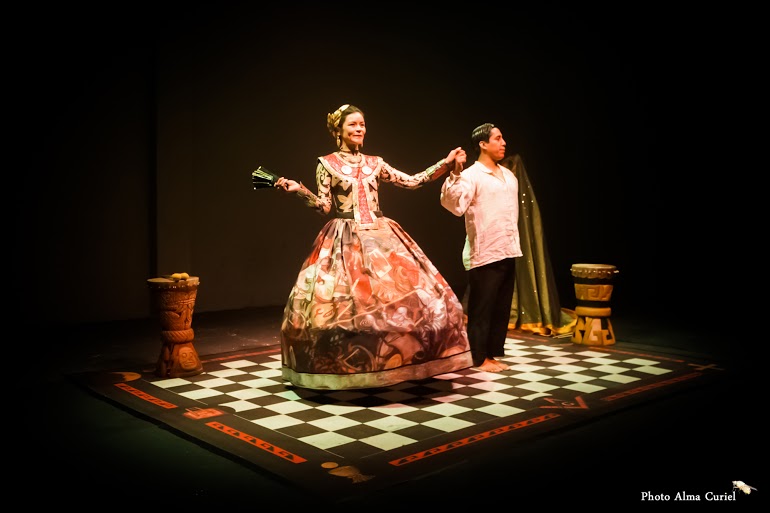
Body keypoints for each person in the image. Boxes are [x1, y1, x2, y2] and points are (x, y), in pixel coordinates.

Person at [273, 104, 472, 390]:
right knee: (346, 306)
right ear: (338, 130)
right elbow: (324, 206)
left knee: (409, 300)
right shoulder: (326, 163)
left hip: (381, 235)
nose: (359, 129)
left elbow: (411, 181)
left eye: (362, 124)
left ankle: (398, 363)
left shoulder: (375, 163)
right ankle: (354, 366)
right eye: (353, 124)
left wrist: (445, 163)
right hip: (345, 238)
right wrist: (299, 190)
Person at [440, 123, 522, 372]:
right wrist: (455, 174)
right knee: (482, 307)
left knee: (500, 307)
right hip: (485, 250)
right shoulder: (471, 175)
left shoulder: (508, 175)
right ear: (483, 144)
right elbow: (453, 205)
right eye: (498, 138)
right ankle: (478, 357)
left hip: (507, 247)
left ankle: (491, 353)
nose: (503, 143)